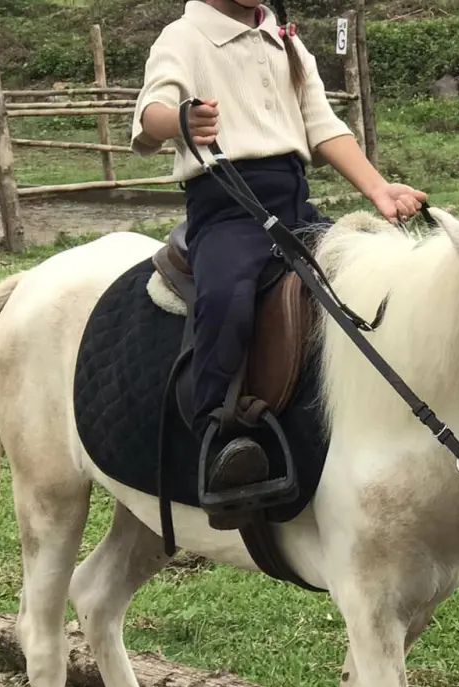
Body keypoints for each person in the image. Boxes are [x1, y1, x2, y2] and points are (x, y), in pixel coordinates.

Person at [130, 0, 427, 513]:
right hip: (226, 207)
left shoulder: (285, 40)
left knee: (363, 276)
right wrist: (181, 120)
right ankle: (215, 432)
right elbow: (150, 113)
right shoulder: (184, 36)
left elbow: (323, 125)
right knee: (226, 298)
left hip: (293, 204)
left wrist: (377, 188)